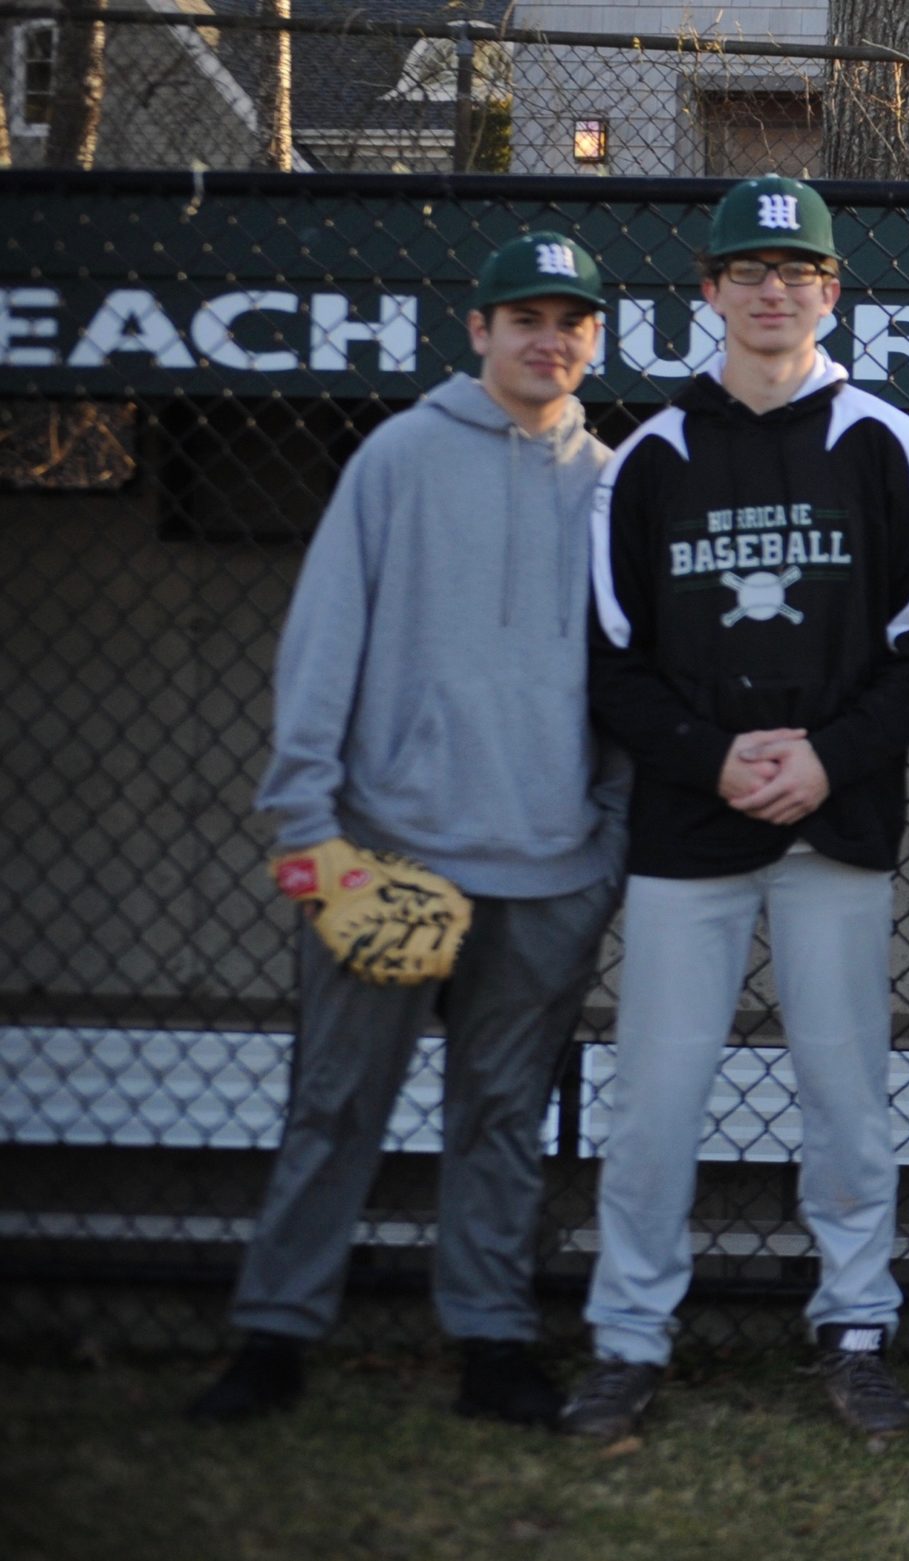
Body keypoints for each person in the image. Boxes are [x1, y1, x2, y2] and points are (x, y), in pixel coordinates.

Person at [188, 233, 625, 1427]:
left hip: (548, 873)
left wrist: (602, 858)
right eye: (522, 316)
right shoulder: (399, 456)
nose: (549, 339)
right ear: (475, 332)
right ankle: (272, 1341)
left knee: (501, 1117)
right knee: (334, 1107)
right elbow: (321, 650)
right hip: (384, 853)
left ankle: (491, 1342)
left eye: (570, 320)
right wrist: (306, 833)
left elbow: (637, 693)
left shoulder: (616, 485)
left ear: (595, 339)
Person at [563, 175, 909, 1441]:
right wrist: (711, 754)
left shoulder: (887, 442)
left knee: (845, 1097)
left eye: (797, 271)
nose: (774, 288)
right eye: (749, 271)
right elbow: (611, 655)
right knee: (654, 1101)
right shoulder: (649, 459)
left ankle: (854, 1330)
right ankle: (629, 1337)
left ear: (830, 292)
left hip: (832, 829)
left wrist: (831, 757)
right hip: (690, 832)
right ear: (709, 292)